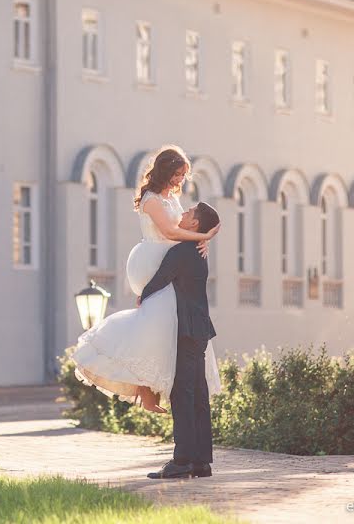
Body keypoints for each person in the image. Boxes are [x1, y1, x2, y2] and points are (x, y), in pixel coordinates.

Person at [70, 146, 221, 414]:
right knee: (155, 321)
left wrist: (201, 243)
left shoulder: (172, 198)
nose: (180, 180)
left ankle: (153, 390)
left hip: (171, 260)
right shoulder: (151, 199)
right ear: (165, 170)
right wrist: (204, 238)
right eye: (177, 174)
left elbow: (188, 225)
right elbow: (171, 231)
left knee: (162, 324)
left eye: (183, 175)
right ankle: (147, 391)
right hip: (153, 262)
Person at [139, 201, 220, 479]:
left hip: (185, 330)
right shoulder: (198, 251)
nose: (182, 214)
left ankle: (182, 460)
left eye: (188, 213)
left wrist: (142, 297)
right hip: (200, 329)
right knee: (198, 394)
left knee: (182, 394)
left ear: (194, 224)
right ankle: (201, 462)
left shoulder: (183, 250)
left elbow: (161, 279)